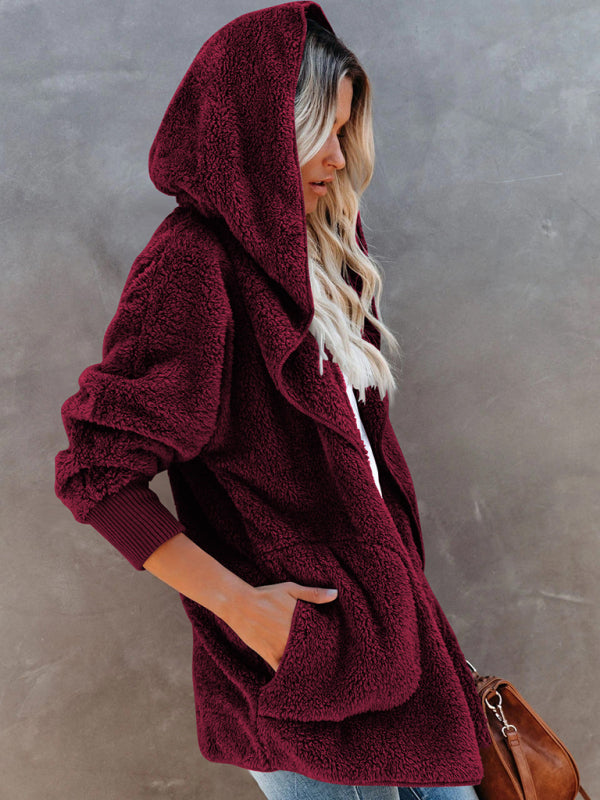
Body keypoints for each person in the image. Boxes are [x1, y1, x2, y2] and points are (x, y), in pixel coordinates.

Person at [54, 2, 492, 798]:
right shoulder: (192, 265)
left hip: (397, 653)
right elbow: (97, 472)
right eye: (322, 131)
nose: (339, 157)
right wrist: (244, 609)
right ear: (258, 129)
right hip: (309, 681)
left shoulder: (326, 251)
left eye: (346, 132)